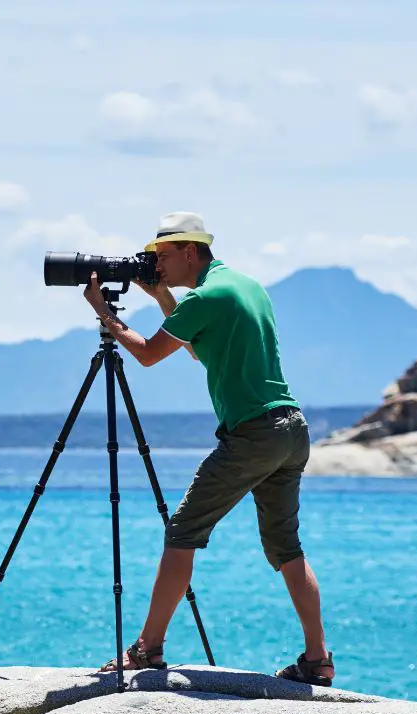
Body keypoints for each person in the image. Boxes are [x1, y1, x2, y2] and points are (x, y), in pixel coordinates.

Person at [80, 211, 334, 687]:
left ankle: (147, 649)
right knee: (286, 547)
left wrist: (104, 313)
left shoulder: (204, 295)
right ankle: (318, 659)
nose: (156, 263)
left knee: (182, 531)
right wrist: (161, 298)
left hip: (252, 434)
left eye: (162, 256)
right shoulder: (245, 286)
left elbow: (150, 355)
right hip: (290, 430)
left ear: (189, 252)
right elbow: (200, 348)